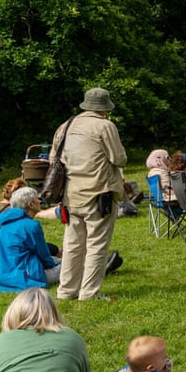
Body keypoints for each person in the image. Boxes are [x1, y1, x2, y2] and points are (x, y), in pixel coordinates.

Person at [50, 87, 127, 302]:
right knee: (97, 245)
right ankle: (89, 293)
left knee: (72, 245)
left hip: (69, 195)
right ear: (105, 108)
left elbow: (53, 158)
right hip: (97, 193)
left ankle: (66, 291)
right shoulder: (105, 126)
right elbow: (119, 158)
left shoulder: (66, 125)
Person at [0, 187, 62, 292]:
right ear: (30, 204)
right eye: (37, 199)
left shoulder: (5, 224)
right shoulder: (30, 226)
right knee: (69, 266)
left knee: (60, 261)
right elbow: (44, 257)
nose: (40, 201)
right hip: (20, 277)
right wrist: (55, 265)